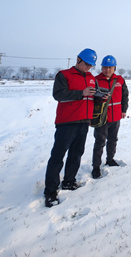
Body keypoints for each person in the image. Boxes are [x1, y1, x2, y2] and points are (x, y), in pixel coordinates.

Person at [43, 48, 98, 208]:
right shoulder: (64, 75)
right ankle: (50, 192)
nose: (89, 68)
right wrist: (81, 93)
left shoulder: (92, 78)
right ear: (78, 60)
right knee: (57, 157)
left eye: (91, 65)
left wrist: (100, 97)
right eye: (87, 64)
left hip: (83, 122)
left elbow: (90, 98)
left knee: (76, 154)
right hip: (67, 122)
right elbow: (58, 95)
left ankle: (69, 181)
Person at [91, 55, 129, 179]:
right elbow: (91, 98)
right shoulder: (95, 80)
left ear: (114, 68)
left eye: (110, 67)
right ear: (101, 67)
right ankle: (96, 167)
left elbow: (125, 96)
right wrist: (99, 98)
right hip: (102, 116)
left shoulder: (120, 80)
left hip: (116, 115)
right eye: (105, 67)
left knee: (113, 140)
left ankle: (110, 159)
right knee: (100, 141)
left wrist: (124, 110)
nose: (107, 70)